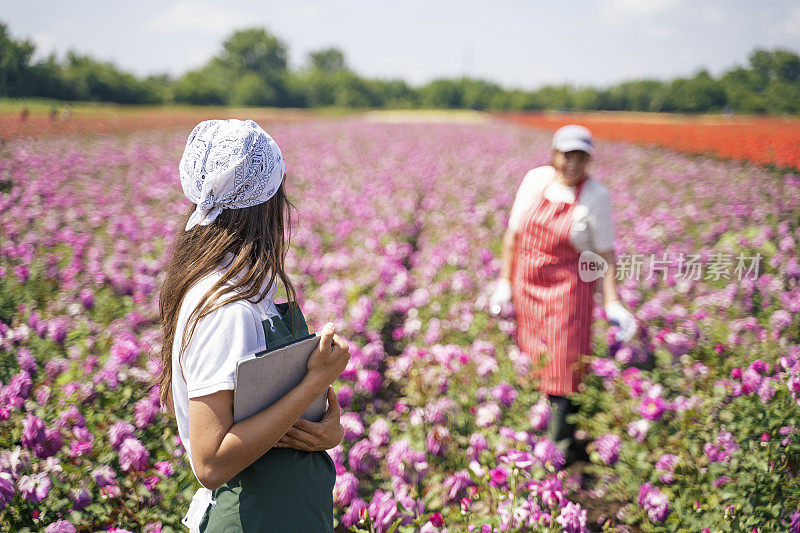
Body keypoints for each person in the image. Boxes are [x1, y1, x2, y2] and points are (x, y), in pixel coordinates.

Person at [156, 119, 351, 532]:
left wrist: (324, 431)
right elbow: (210, 462)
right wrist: (314, 384)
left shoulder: (242, 290)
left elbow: (264, 415)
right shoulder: (226, 308)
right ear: (266, 205)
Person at [489, 124, 637, 463]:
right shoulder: (535, 181)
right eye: (566, 155)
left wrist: (613, 301)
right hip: (529, 286)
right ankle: (533, 437)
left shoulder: (595, 196)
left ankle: (558, 450)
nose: (572, 163)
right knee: (534, 360)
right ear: (554, 154)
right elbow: (513, 236)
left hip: (569, 291)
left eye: (580, 157)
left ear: (589, 160)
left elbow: (605, 254)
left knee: (563, 365)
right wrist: (504, 282)